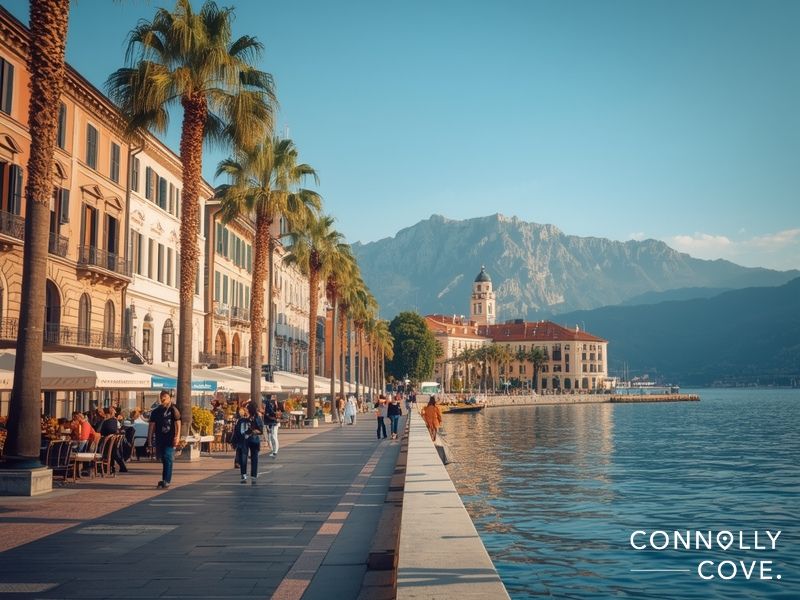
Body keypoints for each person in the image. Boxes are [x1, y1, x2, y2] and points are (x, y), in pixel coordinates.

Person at [148, 390, 181, 489]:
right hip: (160, 438)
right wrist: (149, 440)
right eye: (161, 397)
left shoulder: (174, 409)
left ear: (170, 398)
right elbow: (151, 426)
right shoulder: (156, 411)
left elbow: (178, 423)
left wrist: (177, 436)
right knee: (163, 458)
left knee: (168, 457)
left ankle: (166, 480)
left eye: (165, 397)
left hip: (170, 438)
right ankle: (164, 480)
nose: (163, 399)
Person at [233, 402, 264, 484]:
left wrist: (253, 431)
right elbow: (237, 430)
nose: (245, 409)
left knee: (254, 457)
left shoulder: (256, 417)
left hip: (253, 439)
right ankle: (244, 474)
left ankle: (253, 475)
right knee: (243, 457)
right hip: (245, 440)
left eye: (247, 408)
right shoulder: (242, 419)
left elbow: (261, 430)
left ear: (250, 409)